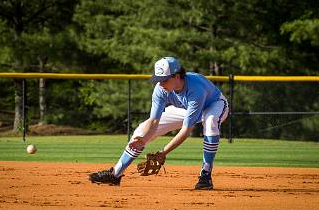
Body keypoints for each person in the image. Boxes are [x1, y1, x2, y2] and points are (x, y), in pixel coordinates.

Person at [88, 56, 229, 190]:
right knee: (141, 130)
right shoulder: (161, 89)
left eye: (164, 79)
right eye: (158, 79)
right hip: (186, 108)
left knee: (210, 123)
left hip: (214, 105)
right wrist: (143, 139)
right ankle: (115, 174)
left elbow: (186, 131)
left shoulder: (196, 89)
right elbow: (154, 120)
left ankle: (205, 175)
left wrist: (163, 152)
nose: (160, 83)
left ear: (177, 76)